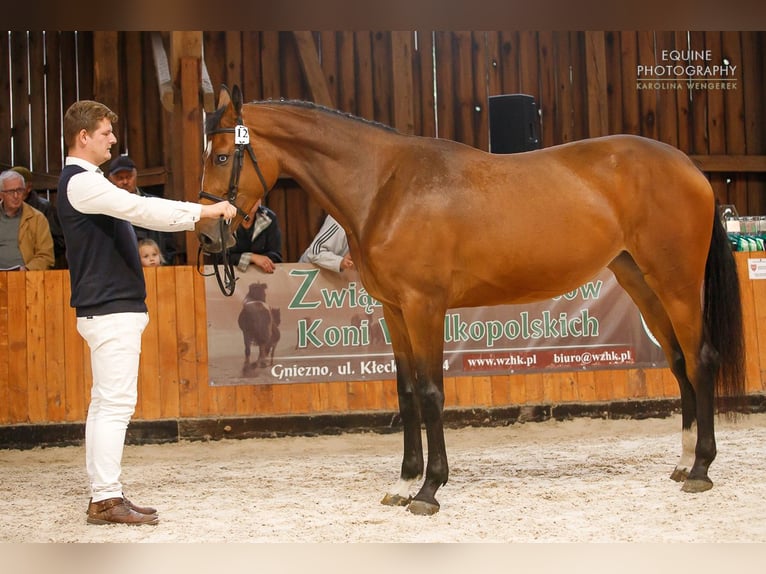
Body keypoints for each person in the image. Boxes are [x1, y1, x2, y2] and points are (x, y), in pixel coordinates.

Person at [57, 99, 237, 526]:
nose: (112, 139)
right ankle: (104, 498)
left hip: (109, 307)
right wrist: (204, 211)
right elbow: (143, 209)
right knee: (114, 405)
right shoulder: (82, 183)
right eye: (105, 133)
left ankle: (107, 494)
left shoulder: (87, 183)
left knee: (108, 404)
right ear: (84, 137)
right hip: (110, 307)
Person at [107, 155, 178, 264]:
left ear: (136, 176)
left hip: (157, 274)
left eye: (128, 176)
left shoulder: (155, 204)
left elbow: (169, 245)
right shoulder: (105, 210)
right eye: (120, 178)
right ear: (111, 180)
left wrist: (163, 265)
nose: (125, 181)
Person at [9, 165, 67, 269]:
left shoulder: (43, 208)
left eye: (19, 185)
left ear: (28, 187)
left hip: (37, 271)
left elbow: (60, 241)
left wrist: (36, 256)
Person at [0, 170, 55, 271]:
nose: (16, 196)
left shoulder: (37, 218)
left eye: (20, 190)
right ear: (1, 194)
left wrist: (27, 269)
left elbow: (46, 256)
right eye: (11, 192)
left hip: (26, 278)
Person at [224, 199, 283, 273]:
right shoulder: (225, 219)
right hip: (230, 276)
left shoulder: (269, 218)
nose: (252, 200)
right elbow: (220, 258)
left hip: (264, 275)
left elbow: (276, 256)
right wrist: (252, 258)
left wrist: (261, 260)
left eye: (256, 196)